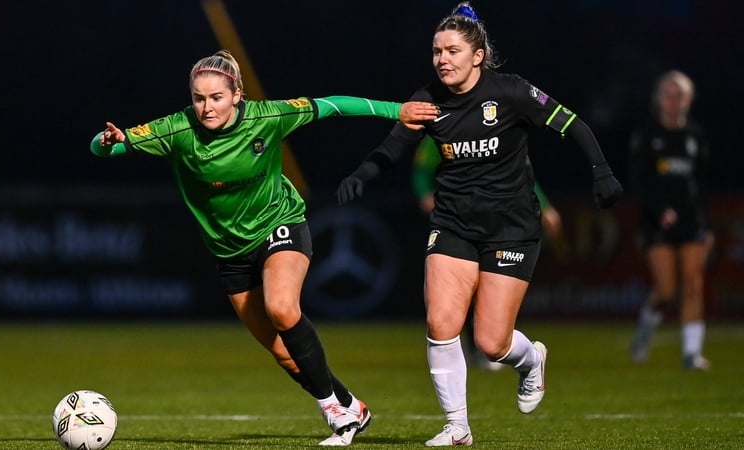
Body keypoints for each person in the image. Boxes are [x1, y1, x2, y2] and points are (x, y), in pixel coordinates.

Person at [90, 49, 439, 446]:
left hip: (280, 223)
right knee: (284, 354)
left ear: (237, 94)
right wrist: (108, 141)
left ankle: (336, 415)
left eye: (216, 97)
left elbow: (333, 106)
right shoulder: (177, 129)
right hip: (230, 253)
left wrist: (398, 111)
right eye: (199, 98)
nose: (207, 107)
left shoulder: (268, 116)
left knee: (282, 308)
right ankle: (350, 405)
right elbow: (102, 148)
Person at [336, 3, 622, 446]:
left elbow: (572, 124)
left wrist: (601, 171)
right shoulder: (428, 100)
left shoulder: (510, 93)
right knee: (441, 321)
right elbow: (393, 148)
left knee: (491, 342)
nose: (442, 59)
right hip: (452, 222)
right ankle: (457, 426)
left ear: (478, 55)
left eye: (452, 50)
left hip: (512, 227)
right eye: (436, 51)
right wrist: (362, 174)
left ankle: (531, 362)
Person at [412, 137, 563, 371]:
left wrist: (544, 207)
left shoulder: (500, 124)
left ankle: (498, 347)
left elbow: (521, 175)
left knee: (490, 290)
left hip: (501, 221)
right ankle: (472, 348)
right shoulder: (443, 126)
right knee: (462, 292)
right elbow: (421, 169)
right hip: (456, 221)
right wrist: (425, 194)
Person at [629, 70, 713, 371]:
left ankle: (692, 353)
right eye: (669, 95)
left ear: (689, 100)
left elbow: (701, 184)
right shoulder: (648, 136)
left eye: (680, 95)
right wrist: (659, 209)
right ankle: (645, 330)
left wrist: (707, 224)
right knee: (665, 290)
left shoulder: (694, 136)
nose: (675, 101)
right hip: (657, 222)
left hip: (691, 221)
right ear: (659, 99)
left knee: (692, 284)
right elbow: (640, 182)